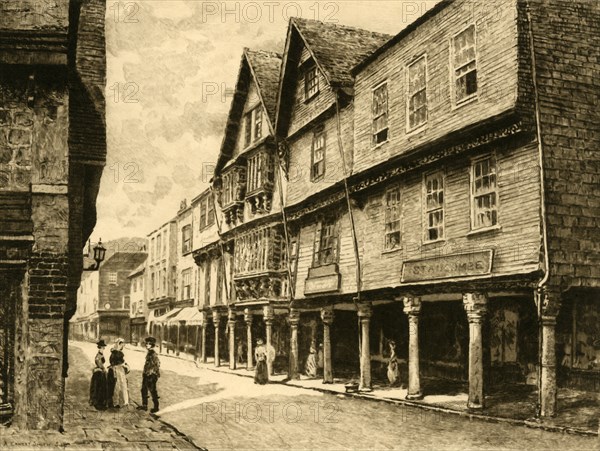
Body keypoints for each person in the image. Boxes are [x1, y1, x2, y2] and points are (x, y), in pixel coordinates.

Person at [138, 336, 161, 413]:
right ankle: (144, 405)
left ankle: (156, 407)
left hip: (151, 375)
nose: (147, 345)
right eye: (146, 343)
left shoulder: (153, 354)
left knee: (152, 391)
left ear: (152, 345)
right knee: (144, 389)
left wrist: (150, 372)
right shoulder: (149, 353)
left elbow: (157, 364)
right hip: (147, 374)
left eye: (149, 344)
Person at [109, 338, 129, 408]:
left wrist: (125, 365)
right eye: (121, 344)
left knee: (123, 385)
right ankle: (116, 402)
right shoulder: (114, 353)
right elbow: (112, 362)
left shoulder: (120, 353)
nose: (122, 346)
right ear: (118, 344)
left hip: (121, 370)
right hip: (117, 370)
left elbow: (122, 361)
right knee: (117, 386)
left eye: (122, 344)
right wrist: (122, 364)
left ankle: (125, 401)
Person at [89, 339, 108, 410]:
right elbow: (99, 363)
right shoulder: (98, 356)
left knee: (102, 387)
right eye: (102, 348)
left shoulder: (101, 354)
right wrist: (103, 369)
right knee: (99, 388)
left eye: (103, 348)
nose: (103, 349)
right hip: (99, 373)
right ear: (99, 347)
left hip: (100, 372)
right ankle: (98, 404)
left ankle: (101, 402)